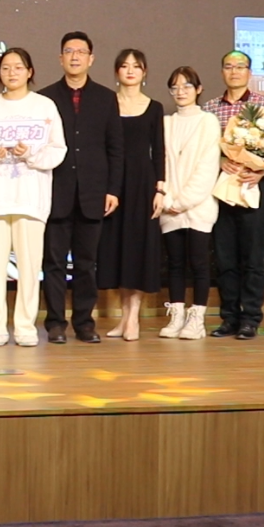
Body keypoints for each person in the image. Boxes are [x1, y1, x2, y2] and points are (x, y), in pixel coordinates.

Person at [0, 49, 66, 347]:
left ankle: (25, 326)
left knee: (29, 268)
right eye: (5, 68)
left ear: (30, 72)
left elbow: (58, 150)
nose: (11, 73)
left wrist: (30, 154)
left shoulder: (44, 106)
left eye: (18, 67)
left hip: (30, 198)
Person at [39, 32, 123, 345]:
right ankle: (55, 323)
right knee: (54, 264)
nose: (75, 57)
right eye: (69, 51)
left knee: (87, 264)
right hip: (56, 192)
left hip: (93, 193)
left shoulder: (105, 97)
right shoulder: (45, 99)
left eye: (81, 52)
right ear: (60, 58)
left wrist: (112, 189)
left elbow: (115, 148)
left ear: (91, 58)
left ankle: (85, 323)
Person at [203, 51, 264, 341]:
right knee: (225, 258)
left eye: (240, 67)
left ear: (249, 72)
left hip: (254, 187)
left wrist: (262, 170)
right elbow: (203, 149)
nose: (234, 71)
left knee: (253, 258)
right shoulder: (210, 108)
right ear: (222, 72)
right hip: (221, 189)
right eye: (228, 66)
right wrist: (219, 161)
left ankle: (250, 318)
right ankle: (229, 318)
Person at [95, 49, 163, 343]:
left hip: (142, 184)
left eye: (136, 66)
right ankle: (124, 318)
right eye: (124, 66)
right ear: (116, 72)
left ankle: (133, 317)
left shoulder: (154, 107)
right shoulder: (105, 104)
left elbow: (158, 150)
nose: (130, 70)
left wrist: (160, 188)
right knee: (117, 250)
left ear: (144, 72)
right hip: (112, 184)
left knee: (137, 249)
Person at [158, 66, 221, 341]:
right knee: (174, 263)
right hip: (169, 206)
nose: (180, 92)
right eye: (175, 87)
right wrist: (167, 199)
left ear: (198, 89)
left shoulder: (208, 122)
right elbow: (160, 163)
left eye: (186, 86)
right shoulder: (166, 123)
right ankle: (176, 316)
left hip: (198, 206)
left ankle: (197, 320)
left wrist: (183, 201)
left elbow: (207, 167)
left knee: (199, 263)